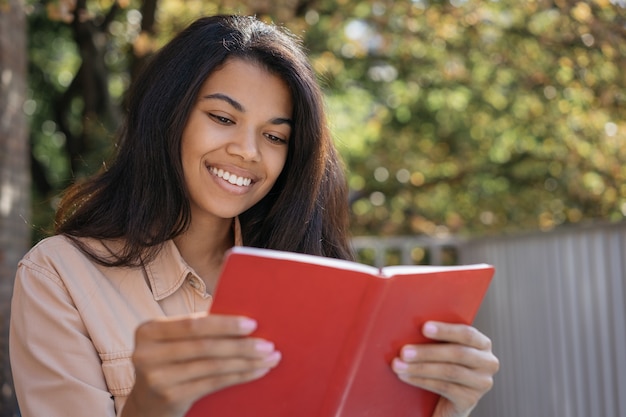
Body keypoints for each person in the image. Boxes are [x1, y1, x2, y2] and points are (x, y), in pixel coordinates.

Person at [9, 14, 499, 417]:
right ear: (167, 116)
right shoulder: (59, 276)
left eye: (275, 136)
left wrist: (443, 405)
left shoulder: (318, 278)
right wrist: (150, 408)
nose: (247, 151)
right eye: (223, 118)